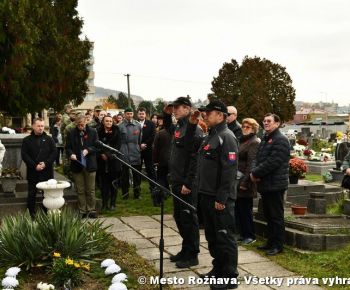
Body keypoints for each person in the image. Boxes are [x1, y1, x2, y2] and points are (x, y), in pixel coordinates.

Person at [196, 100, 239, 289]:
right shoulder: (211, 135)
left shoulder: (226, 136)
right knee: (212, 236)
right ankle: (218, 269)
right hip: (206, 194)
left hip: (219, 197)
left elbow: (229, 170)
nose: (205, 115)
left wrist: (222, 198)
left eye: (209, 113)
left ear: (220, 115)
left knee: (224, 236)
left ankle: (229, 276)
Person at [163, 97, 203, 269]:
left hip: (187, 183)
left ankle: (192, 254)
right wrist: (165, 115)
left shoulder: (194, 129)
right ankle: (185, 249)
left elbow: (195, 160)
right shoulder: (180, 126)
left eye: (177, 108)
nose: (175, 111)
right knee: (179, 217)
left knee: (188, 218)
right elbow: (168, 128)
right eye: (173, 108)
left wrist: (188, 182)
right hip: (177, 180)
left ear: (187, 109)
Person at [250, 113, 290, 256]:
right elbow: (257, 158)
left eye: (269, 121)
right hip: (266, 183)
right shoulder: (266, 138)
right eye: (264, 120)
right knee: (268, 215)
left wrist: (255, 174)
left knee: (276, 217)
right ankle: (270, 242)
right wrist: (254, 171)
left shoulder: (281, 140)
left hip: (275, 184)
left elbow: (273, 162)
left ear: (277, 124)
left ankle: (278, 245)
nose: (265, 123)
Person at [21, 118, 57, 218]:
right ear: (33, 126)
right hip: (33, 171)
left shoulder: (49, 139)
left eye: (42, 126)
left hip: (47, 171)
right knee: (32, 194)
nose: (41, 128)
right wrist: (34, 166)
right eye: (38, 126)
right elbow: (24, 155)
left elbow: (54, 153)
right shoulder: (26, 140)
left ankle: (46, 214)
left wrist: (45, 163)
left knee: (47, 194)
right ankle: (31, 214)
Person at [66, 115, 99, 218]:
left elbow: (97, 146)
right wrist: (71, 154)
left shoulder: (93, 132)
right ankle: (82, 210)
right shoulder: (71, 133)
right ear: (76, 124)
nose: (81, 127)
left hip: (89, 164)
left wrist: (88, 150)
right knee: (80, 189)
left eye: (83, 125)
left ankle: (91, 210)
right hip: (77, 164)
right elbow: (68, 147)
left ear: (86, 123)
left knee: (90, 189)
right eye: (79, 125)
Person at [236, 118, 260, 245]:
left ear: (254, 129)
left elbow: (251, 164)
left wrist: (245, 183)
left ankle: (250, 235)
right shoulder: (242, 141)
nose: (244, 128)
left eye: (247, 127)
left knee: (246, 210)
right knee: (239, 209)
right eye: (243, 126)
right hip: (237, 179)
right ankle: (243, 234)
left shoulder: (254, 142)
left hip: (246, 181)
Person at [97, 115, 121, 211]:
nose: (109, 123)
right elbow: (96, 144)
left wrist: (108, 155)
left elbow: (117, 146)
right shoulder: (98, 132)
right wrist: (101, 154)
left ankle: (113, 203)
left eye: (110, 121)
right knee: (104, 185)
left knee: (113, 184)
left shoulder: (117, 132)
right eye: (107, 121)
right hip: (101, 162)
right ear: (103, 122)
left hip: (113, 162)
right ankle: (104, 203)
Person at [118, 107, 142, 199]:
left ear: (133, 114)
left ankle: (137, 194)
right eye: (127, 113)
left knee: (137, 175)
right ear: (124, 114)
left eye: (131, 113)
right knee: (124, 175)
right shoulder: (120, 126)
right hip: (124, 152)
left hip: (135, 151)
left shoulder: (138, 125)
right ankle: (125, 194)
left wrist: (138, 148)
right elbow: (118, 140)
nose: (129, 115)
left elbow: (139, 139)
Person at [152, 113, 172, 205]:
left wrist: (155, 161)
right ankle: (164, 195)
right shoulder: (176, 132)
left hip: (162, 161)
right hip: (172, 161)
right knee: (167, 180)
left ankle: (158, 198)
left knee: (161, 180)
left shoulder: (160, 133)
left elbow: (155, 149)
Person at [137, 107, 156, 193]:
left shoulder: (151, 124)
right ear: (137, 114)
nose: (141, 115)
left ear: (145, 114)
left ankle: (153, 188)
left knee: (150, 170)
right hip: (137, 150)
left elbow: (153, 136)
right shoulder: (135, 123)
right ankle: (137, 189)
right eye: (140, 113)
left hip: (148, 150)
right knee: (137, 170)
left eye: (143, 113)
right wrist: (139, 145)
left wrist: (145, 144)